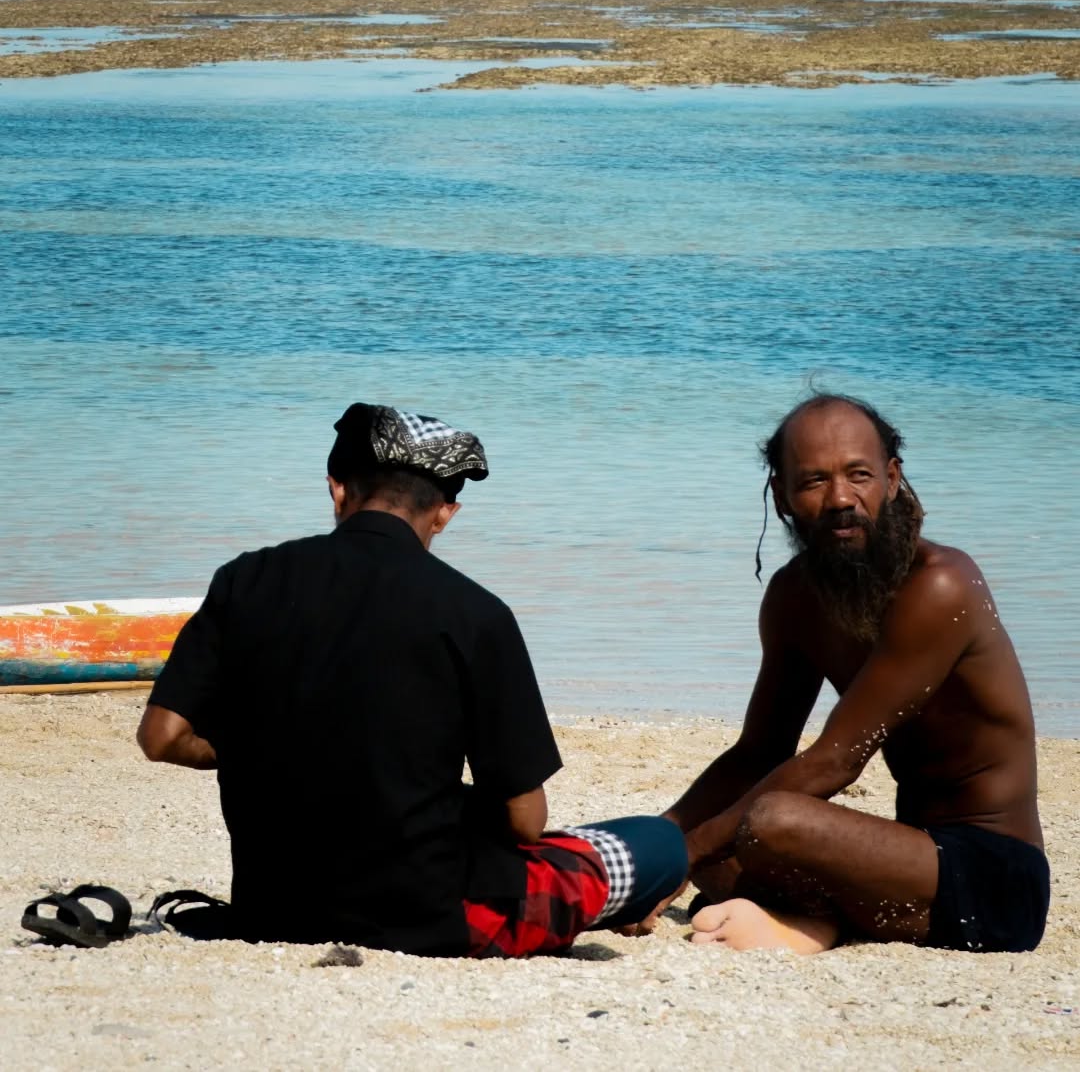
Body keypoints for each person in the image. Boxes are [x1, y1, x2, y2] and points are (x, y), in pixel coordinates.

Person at [138, 402, 686, 957]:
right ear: (446, 512)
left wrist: (267, 750)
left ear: (338, 489)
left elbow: (161, 738)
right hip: (432, 917)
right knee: (659, 844)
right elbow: (525, 821)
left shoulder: (244, 579)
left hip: (273, 906)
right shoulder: (475, 613)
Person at [668, 393, 1049, 955]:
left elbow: (837, 762)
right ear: (783, 496)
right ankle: (814, 919)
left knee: (767, 821)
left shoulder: (942, 585)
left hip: (995, 878)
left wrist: (689, 850)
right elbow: (758, 752)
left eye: (859, 475)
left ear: (892, 480)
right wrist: (658, 840)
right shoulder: (794, 597)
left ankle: (812, 921)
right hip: (911, 850)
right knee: (725, 843)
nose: (841, 498)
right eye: (815, 481)